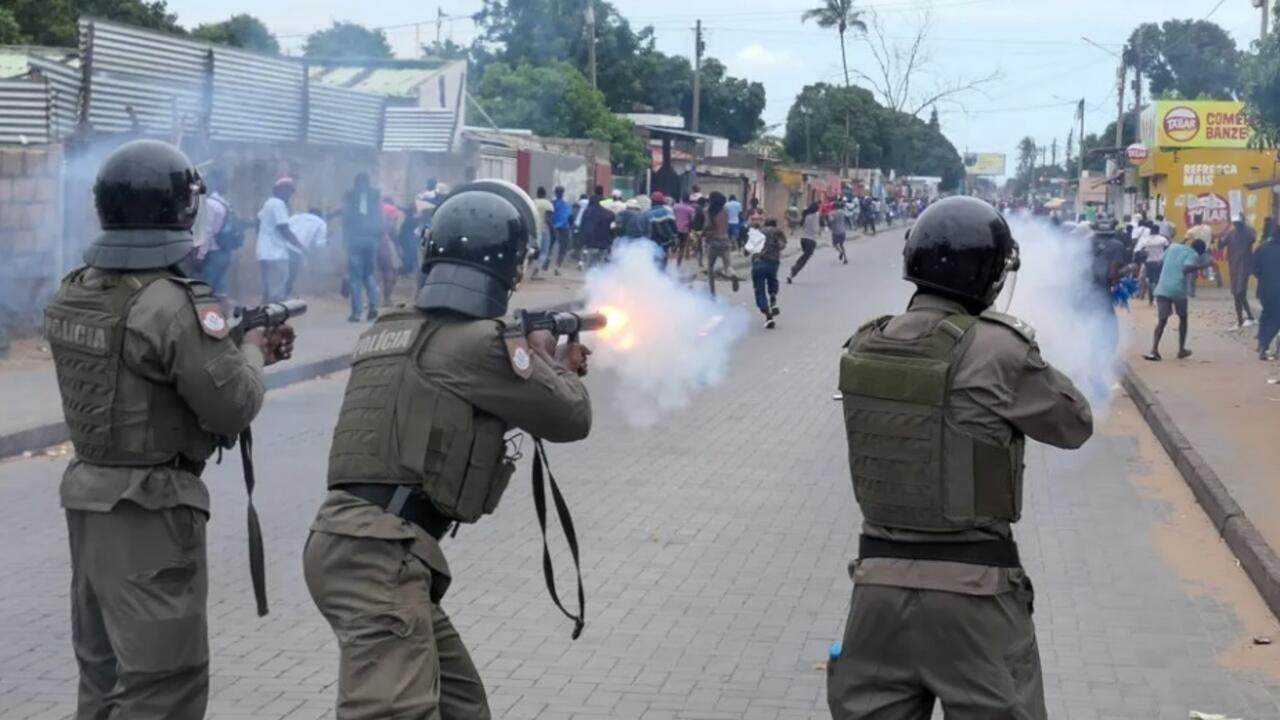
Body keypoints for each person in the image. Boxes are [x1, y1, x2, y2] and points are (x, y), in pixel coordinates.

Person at [303, 180, 591, 720]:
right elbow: (571, 417)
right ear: (511, 268)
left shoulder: (390, 328)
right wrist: (549, 362)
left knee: (461, 706)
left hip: (360, 546)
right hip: (378, 556)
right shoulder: (483, 345)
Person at [46, 139, 294, 720]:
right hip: (151, 511)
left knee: (104, 680)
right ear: (181, 211)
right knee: (165, 686)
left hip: (89, 499)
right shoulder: (174, 302)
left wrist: (230, 345)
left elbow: (138, 371)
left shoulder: (76, 289)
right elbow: (232, 405)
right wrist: (253, 353)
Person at [829, 196, 1093, 720]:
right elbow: (1073, 426)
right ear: (991, 274)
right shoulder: (1001, 349)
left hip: (876, 588)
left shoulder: (864, 343)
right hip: (975, 592)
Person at [1144, 237, 1213, 361]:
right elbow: (1186, 268)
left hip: (1163, 287)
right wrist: (1203, 265)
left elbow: (1161, 262)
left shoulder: (1173, 247)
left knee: (1162, 321)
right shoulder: (1193, 254)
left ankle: (1154, 349)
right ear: (1200, 251)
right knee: (1183, 318)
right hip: (1178, 289)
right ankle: (1181, 349)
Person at [342, 173, 383, 322]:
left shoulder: (350, 195)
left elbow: (346, 218)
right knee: (369, 274)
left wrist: (344, 240)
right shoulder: (376, 194)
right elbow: (380, 216)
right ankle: (373, 307)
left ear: (355, 182)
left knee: (355, 277)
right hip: (371, 239)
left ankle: (357, 312)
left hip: (356, 239)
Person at [257, 176, 303, 304]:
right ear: (279, 189)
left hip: (265, 253)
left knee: (268, 291)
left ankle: (265, 319)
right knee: (277, 294)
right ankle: (274, 321)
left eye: (291, 191)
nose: (290, 194)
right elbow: (285, 230)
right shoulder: (278, 204)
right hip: (276, 255)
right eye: (288, 190)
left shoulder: (268, 203)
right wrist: (301, 247)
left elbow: (258, 220)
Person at [194, 169, 239, 300]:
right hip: (225, 253)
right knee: (220, 291)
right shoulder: (225, 204)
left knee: (205, 291)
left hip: (212, 253)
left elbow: (207, 232)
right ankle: (224, 317)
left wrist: (200, 256)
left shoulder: (210, 204)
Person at [1222, 213, 1258, 329]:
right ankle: (1249, 317)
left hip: (1243, 267)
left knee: (1238, 293)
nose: (1236, 224)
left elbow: (1253, 239)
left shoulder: (1247, 232)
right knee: (1239, 294)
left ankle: (1240, 320)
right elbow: (1220, 245)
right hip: (1234, 267)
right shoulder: (1231, 233)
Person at [750, 219, 787, 328]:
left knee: (759, 290)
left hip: (758, 263)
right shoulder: (778, 231)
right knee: (772, 280)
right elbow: (782, 246)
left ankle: (768, 315)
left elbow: (748, 249)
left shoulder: (757, 232)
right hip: (773, 263)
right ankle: (773, 297)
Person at [285, 207, 329, 298]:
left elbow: (284, 228)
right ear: (320, 216)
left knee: (280, 277)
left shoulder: (296, 217)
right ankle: (282, 300)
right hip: (294, 250)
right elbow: (320, 245)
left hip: (280, 248)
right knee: (290, 277)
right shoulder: (321, 223)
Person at [704, 191, 741, 296]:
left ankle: (712, 292)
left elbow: (708, 226)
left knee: (710, 267)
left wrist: (703, 234)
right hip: (725, 240)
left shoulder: (709, 211)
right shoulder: (726, 210)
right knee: (728, 266)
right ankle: (733, 274)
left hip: (714, 242)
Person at [1254, 218, 1280, 360]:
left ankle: (1260, 342)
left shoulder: (1262, 248)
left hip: (1264, 290)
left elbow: (1254, 269)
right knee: (1276, 320)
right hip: (1278, 291)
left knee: (1266, 315)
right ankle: (1264, 346)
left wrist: (1264, 277)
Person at [1133, 220, 1169, 307]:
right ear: (1158, 231)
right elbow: (1167, 248)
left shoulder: (1145, 241)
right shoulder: (1163, 239)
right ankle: (1158, 298)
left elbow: (1138, 251)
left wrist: (1145, 255)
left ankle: (1151, 300)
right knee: (1157, 280)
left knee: (1149, 280)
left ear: (1151, 231)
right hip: (1159, 262)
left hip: (1148, 262)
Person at [378, 196, 405, 306]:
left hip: (371, 242)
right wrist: (398, 246)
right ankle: (387, 299)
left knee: (371, 272)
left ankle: (372, 299)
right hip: (385, 242)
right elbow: (392, 229)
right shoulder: (392, 209)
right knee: (389, 270)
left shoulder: (375, 208)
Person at [579, 193, 616, 269]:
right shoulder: (610, 214)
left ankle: (593, 279)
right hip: (605, 244)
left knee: (592, 266)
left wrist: (583, 241)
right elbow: (613, 230)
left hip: (592, 244)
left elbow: (583, 227)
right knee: (604, 267)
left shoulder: (588, 212)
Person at [642, 191, 678, 267]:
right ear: (662, 201)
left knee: (652, 260)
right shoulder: (668, 211)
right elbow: (673, 226)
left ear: (652, 201)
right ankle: (662, 274)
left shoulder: (646, 214)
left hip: (652, 242)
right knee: (663, 259)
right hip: (666, 241)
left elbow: (644, 230)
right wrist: (675, 238)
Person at [788, 202, 821, 283]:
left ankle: (795, 267)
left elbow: (799, 222)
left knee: (805, 255)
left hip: (803, 239)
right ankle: (793, 271)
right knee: (805, 258)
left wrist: (789, 218)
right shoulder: (817, 215)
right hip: (811, 240)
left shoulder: (806, 215)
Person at [546, 186, 574, 276]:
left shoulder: (552, 203)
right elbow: (571, 217)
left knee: (549, 247)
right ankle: (557, 267)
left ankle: (545, 263)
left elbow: (549, 215)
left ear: (555, 192)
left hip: (553, 228)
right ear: (563, 192)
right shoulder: (567, 204)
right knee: (562, 250)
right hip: (565, 228)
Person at [531, 186, 555, 280]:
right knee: (544, 252)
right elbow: (548, 219)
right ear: (545, 194)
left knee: (534, 251)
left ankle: (530, 270)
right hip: (544, 230)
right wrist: (553, 230)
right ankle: (536, 272)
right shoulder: (548, 204)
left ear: (537, 194)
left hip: (534, 231)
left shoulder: (533, 203)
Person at [673, 194, 696, 267]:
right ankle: (677, 265)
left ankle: (670, 261)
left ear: (681, 199)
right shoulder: (691, 209)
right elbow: (692, 221)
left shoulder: (675, 206)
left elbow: (672, 216)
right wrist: (690, 229)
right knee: (682, 248)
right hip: (685, 230)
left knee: (672, 246)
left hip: (675, 229)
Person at [829, 200, 849, 265]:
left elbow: (831, 220)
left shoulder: (832, 213)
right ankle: (845, 259)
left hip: (835, 231)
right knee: (842, 245)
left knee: (834, 244)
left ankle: (840, 252)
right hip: (843, 230)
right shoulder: (843, 212)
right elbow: (847, 217)